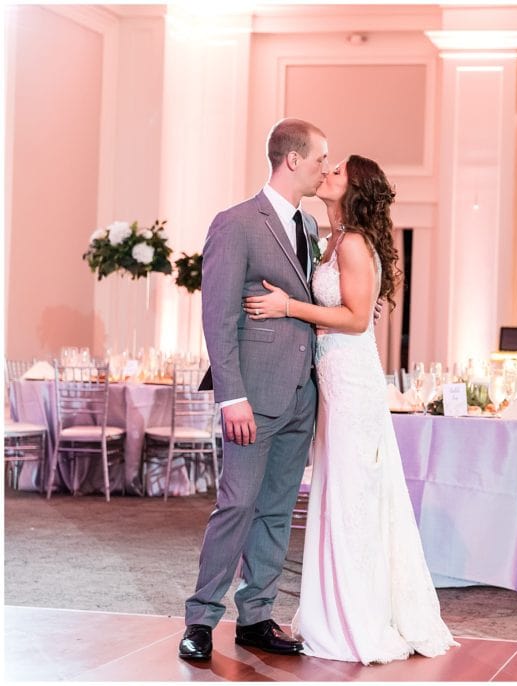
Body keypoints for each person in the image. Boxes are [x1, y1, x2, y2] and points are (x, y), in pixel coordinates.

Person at [242, 155, 458, 664]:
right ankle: (334, 609)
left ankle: (356, 617)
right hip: (330, 379)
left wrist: (287, 308)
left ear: (354, 188)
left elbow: (358, 319)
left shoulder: (356, 243)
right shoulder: (329, 239)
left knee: (354, 494)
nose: (326, 173)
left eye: (336, 171)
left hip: (353, 384)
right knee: (337, 492)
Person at [178, 118, 328, 661]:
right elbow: (217, 317)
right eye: (318, 160)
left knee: (276, 508)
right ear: (292, 159)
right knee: (236, 504)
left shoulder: (311, 228)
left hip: (299, 397)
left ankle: (257, 615)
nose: (324, 170)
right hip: (251, 398)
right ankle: (200, 620)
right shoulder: (236, 223)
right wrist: (231, 396)